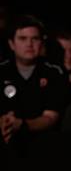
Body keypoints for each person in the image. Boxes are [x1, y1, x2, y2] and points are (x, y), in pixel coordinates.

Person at [0, 15, 67, 144]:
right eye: (22, 38)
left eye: (35, 39)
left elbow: (51, 117)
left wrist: (22, 125)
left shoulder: (54, 72)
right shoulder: (2, 71)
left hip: (44, 144)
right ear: (11, 43)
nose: (29, 44)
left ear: (41, 42)